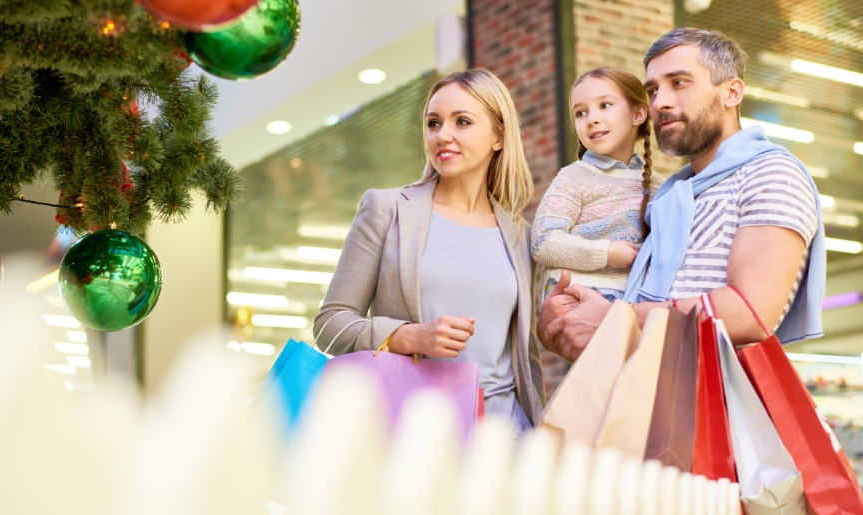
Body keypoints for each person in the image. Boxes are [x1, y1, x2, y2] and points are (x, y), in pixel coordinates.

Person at [538, 27, 825, 361]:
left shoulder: (770, 174)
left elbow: (750, 312)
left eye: (679, 82)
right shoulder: (668, 197)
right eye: (653, 89)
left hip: (714, 402)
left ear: (731, 92)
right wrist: (559, 317)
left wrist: (616, 319)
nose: (660, 102)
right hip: (645, 393)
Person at [313, 68, 546, 437]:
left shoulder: (521, 236)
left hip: (505, 440)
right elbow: (330, 323)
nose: (443, 135)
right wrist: (407, 336)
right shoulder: (387, 210)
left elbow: (522, 353)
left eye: (462, 121)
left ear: (499, 136)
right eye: (433, 123)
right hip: (418, 436)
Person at [532, 67, 664, 303]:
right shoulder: (573, 178)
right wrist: (605, 253)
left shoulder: (657, 187)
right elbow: (543, 242)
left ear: (638, 114)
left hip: (631, 306)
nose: (591, 119)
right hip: (574, 299)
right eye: (580, 113)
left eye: (604, 105)